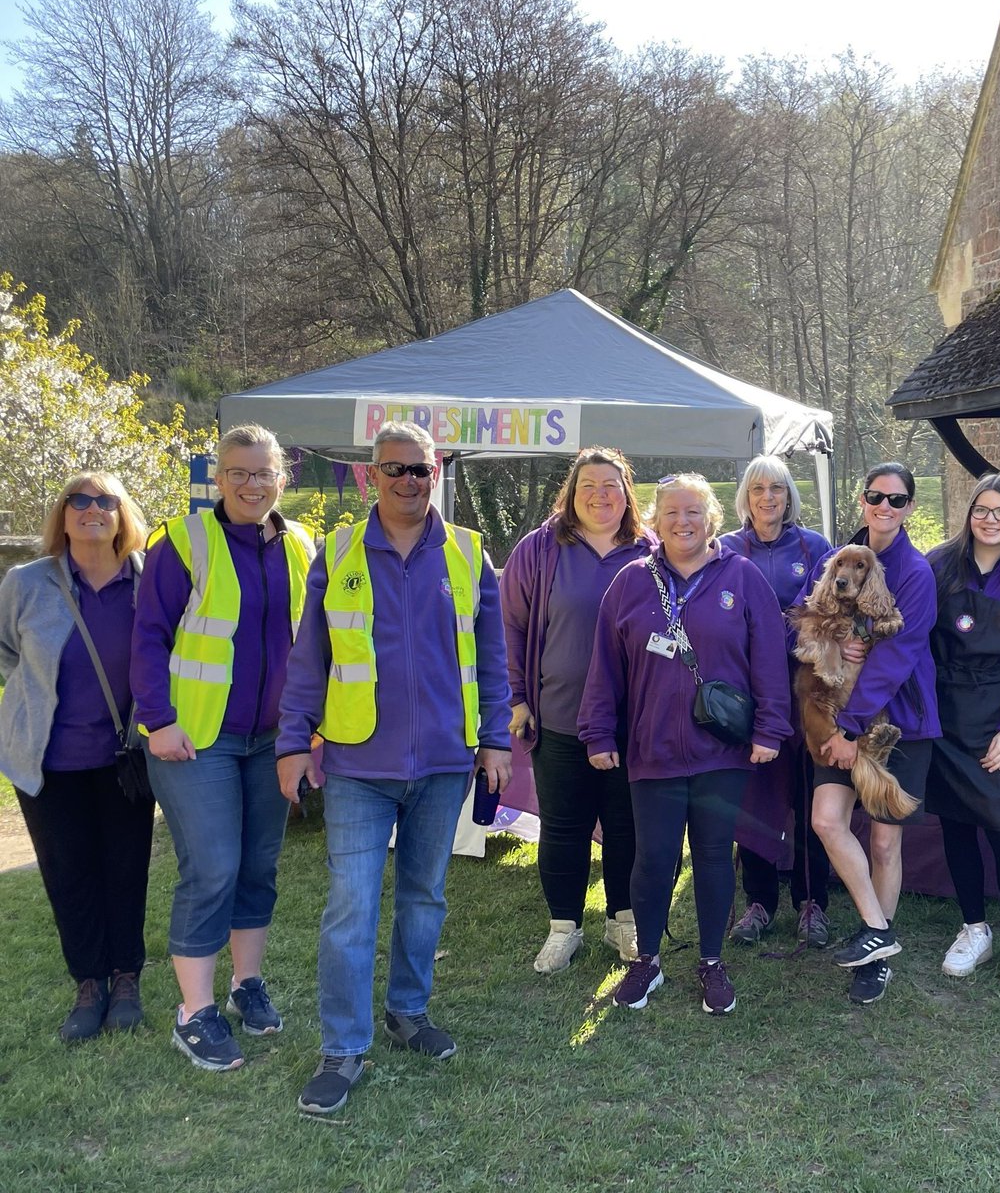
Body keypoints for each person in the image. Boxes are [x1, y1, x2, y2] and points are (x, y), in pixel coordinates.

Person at [278, 421, 512, 1115]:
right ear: (370, 475)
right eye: (396, 469)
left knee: (424, 897)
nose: (409, 480)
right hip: (358, 763)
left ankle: (408, 1013)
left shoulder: (468, 552)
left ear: (435, 474)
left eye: (421, 469)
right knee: (351, 907)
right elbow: (309, 658)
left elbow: (493, 658)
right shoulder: (338, 552)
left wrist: (496, 738)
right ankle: (342, 1048)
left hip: (443, 761)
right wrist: (292, 742)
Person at [132, 423, 315, 1071]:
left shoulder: (300, 545)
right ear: (218, 478)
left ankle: (246, 985)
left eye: (263, 473)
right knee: (212, 867)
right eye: (238, 472)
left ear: (281, 479)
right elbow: (148, 636)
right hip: (194, 738)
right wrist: (158, 720)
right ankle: (194, 1013)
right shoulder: (182, 541)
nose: (251, 484)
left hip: (272, 741)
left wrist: (308, 729)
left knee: (258, 867)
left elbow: (311, 641)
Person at [579, 473, 792, 1015]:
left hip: (722, 751)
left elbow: (769, 658)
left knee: (715, 855)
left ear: (711, 518)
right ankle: (647, 961)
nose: (683, 522)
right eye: (671, 512)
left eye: (693, 511)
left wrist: (770, 729)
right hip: (652, 748)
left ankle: (712, 962)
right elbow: (605, 664)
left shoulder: (742, 577)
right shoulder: (631, 581)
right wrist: (598, 730)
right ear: (656, 520)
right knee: (653, 857)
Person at [0, 474, 151, 1041]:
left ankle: (126, 978)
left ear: (122, 514)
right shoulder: (26, 582)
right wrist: (34, 697)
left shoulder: (148, 581)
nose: (92, 509)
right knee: (69, 874)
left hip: (125, 760)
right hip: (49, 761)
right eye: (79, 501)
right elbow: (7, 651)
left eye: (105, 500)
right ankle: (89, 983)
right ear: (62, 515)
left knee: (126, 868)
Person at [500, 448, 652, 974]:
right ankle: (564, 927)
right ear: (570, 492)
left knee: (626, 826)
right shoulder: (541, 549)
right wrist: (517, 697)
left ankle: (623, 921)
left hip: (631, 722)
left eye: (611, 485)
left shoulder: (650, 551)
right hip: (559, 715)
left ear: (627, 494)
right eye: (588, 484)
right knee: (564, 828)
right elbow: (509, 627)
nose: (599, 495)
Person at [804, 461, 940, 1006]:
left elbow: (898, 656)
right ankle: (877, 929)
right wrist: (834, 642)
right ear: (863, 500)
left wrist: (851, 728)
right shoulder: (838, 557)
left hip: (897, 721)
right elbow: (806, 619)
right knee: (826, 820)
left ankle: (876, 956)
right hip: (837, 713)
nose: (885, 506)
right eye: (876, 496)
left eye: (897, 499)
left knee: (884, 841)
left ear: (909, 507)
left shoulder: (915, 572)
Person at [925, 474, 1000, 987]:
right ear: (969, 512)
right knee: (956, 826)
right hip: (944, 717)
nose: (990, 520)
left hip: (997, 719)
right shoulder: (938, 566)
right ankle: (974, 928)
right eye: (982, 509)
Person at [720, 455, 834, 947]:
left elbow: (832, 614)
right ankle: (759, 902)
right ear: (745, 497)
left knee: (812, 799)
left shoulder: (816, 548)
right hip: (749, 697)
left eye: (778, 488)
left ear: (790, 496)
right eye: (758, 489)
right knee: (755, 801)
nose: (768, 497)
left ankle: (812, 903)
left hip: (806, 693)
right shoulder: (725, 550)